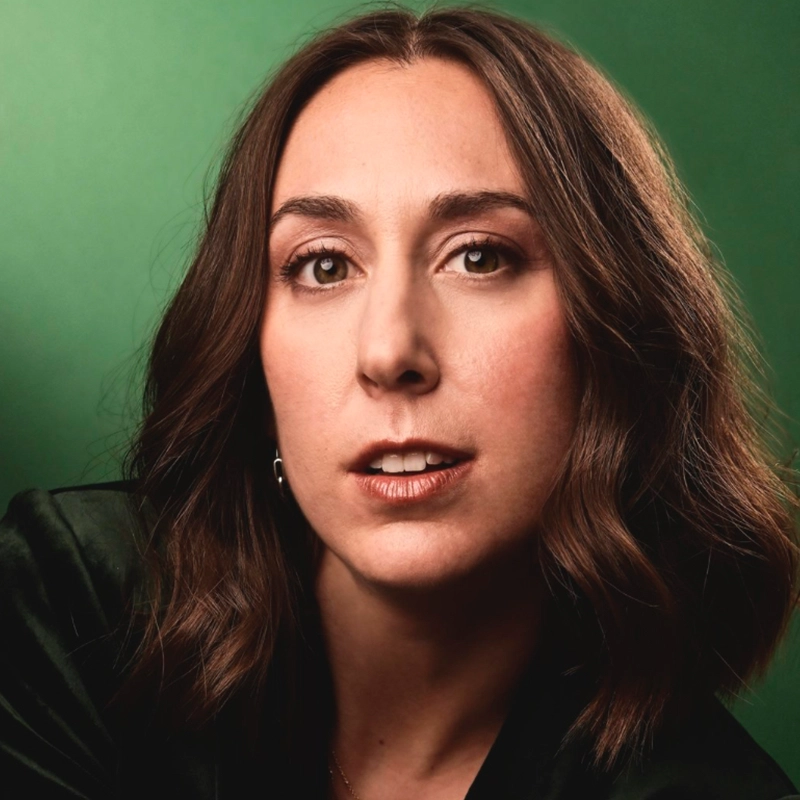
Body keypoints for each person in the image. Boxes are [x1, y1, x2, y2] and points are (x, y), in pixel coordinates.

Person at [1, 6, 798, 799]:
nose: (388, 354)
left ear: (613, 335)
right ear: (252, 352)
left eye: (479, 257)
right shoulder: (75, 610)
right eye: (323, 266)